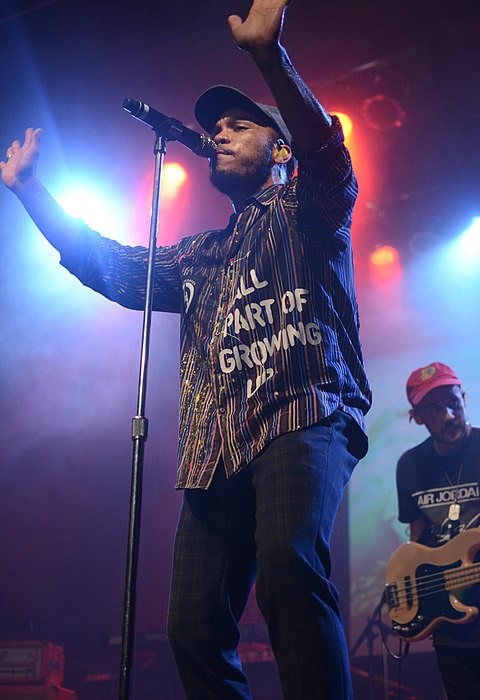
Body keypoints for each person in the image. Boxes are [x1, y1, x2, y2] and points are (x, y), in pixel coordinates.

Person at [1, 0, 371, 697]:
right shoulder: (200, 254)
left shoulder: (309, 209)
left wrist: (270, 56)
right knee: (192, 630)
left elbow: (329, 155)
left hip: (300, 414)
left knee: (289, 562)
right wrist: (31, 193)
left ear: (279, 147)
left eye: (240, 125)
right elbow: (110, 266)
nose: (220, 135)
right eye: (215, 129)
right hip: (215, 451)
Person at [396, 361, 480, 700]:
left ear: (465, 398)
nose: (449, 416)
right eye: (435, 409)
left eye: (453, 403)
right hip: (447, 620)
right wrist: (416, 595)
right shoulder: (410, 466)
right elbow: (417, 537)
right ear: (418, 417)